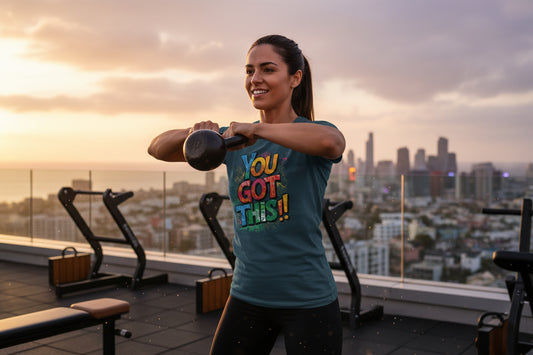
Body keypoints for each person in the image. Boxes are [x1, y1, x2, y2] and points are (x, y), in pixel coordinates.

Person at [148, 34, 346, 355]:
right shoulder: (233, 141)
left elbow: (332, 143)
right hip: (248, 294)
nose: (255, 79)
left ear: (295, 78)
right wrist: (193, 133)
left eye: (268, 69)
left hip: (307, 299)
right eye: (249, 70)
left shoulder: (305, 133)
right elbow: (156, 148)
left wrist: (258, 129)